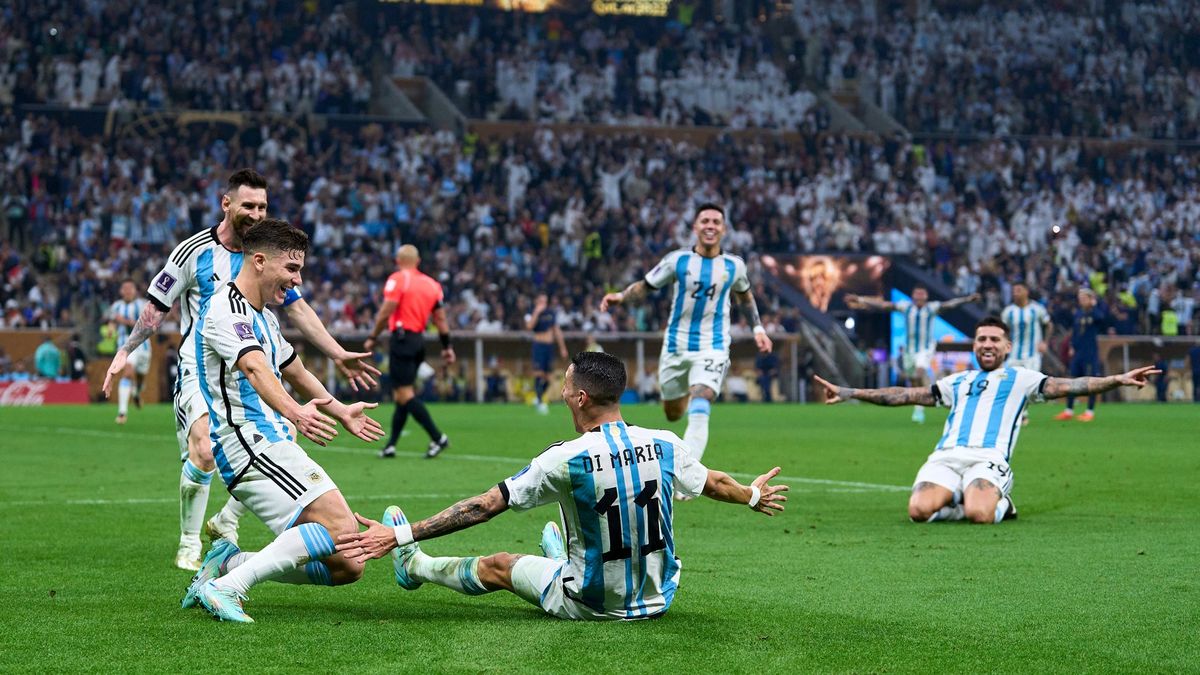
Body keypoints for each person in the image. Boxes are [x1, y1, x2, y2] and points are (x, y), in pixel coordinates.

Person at [334, 352, 789, 621]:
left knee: (500, 565)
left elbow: (484, 507)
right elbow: (713, 483)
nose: (563, 394)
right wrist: (752, 495)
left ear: (582, 398)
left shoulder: (564, 458)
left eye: (567, 388)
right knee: (579, 530)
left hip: (589, 602)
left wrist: (401, 534)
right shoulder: (666, 444)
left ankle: (415, 566)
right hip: (657, 600)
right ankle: (559, 555)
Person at [100, 169, 380, 571]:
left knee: (279, 442)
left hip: (255, 369)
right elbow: (157, 307)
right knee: (205, 448)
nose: (256, 213)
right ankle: (189, 542)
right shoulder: (192, 253)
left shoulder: (270, 262)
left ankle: (227, 525)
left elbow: (297, 311)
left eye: (263, 206)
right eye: (248, 205)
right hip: (202, 369)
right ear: (226, 203)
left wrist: (336, 354)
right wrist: (125, 350)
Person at [180, 218, 384, 623]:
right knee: (340, 528)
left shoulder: (265, 317)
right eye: (291, 269)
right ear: (259, 261)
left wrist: (339, 409)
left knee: (348, 563)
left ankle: (228, 565)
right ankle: (227, 588)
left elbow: (294, 369)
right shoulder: (225, 309)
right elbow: (256, 369)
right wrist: (295, 412)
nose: (298, 280)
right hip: (249, 446)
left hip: (270, 442)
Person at [813, 316, 1160, 524]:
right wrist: (850, 392)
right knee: (918, 511)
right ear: (974, 346)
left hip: (989, 459)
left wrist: (1116, 379)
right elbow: (905, 395)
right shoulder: (957, 381)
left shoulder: (1022, 378)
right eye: (981, 339)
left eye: (995, 339)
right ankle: (962, 497)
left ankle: (1001, 504)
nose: (987, 345)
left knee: (981, 516)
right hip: (946, 458)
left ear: (1007, 347)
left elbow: (1070, 384)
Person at [600, 203, 772, 462]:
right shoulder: (677, 260)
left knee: (701, 398)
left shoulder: (734, 266)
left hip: (713, 345)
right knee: (672, 413)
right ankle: (686, 402)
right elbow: (646, 286)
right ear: (695, 227)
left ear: (724, 229)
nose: (710, 226)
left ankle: (686, 472)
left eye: (716, 222)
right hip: (675, 345)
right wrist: (622, 297)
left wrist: (758, 328)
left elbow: (745, 298)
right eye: (705, 221)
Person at [365, 244, 455, 459]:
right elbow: (441, 320)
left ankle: (437, 437)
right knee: (401, 396)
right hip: (418, 342)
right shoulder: (432, 285)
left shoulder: (398, 279)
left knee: (405, 394)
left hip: (402, 339)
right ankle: (391, 446)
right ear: (418, 261)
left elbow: (387, 310)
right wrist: (447, 347)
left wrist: (373, 337)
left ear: (398, 261)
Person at [846, 286, 979, 424]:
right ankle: (922, 404)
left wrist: (967, 299)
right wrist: (860, 299)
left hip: (925, 349)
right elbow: (884, 305)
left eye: (922, 294)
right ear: (913, 296)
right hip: (910, 351)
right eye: (917, 294)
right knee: (913, 380)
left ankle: (933, 399)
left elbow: (949, 305)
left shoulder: (932, 308)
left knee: (919, 373)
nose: (920, 297)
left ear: (926, 296)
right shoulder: (906, 307)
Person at [1000, 282, 1053, 425]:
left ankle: (1022, 413)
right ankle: (1020, 413)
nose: (1015, 293)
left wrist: (1045, 342)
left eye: (1018, 290)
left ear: (1026, 291)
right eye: (1013, 290)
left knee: (1027, 384)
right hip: (1014, 355)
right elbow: (1003, 331)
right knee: (1009, 383)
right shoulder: (1008, 311)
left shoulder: (1037, 309)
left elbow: (1048, 324)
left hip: (1032, 355)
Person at [1055, 288, 1110, 422]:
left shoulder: (1095, 314)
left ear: (1091, 299)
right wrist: (1072, 346)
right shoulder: (1078, 314)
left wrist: (1094, 305)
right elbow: (1075, 332)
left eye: (1084, 298)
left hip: (1090, 353)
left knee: (1090, 382)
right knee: (1073, 381)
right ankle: (1069, 410)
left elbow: (1103, 320)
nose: (1081, 300)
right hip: (1078, 353)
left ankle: (1089, 412)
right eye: (1080, 298)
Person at [108, 279, 151, 423]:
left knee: (140, 377)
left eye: (130, 288)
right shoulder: (116, 306)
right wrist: (110, 329)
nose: (127, 291)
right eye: (124, 288)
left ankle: (137, 393)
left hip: (143, 346)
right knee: (127, 372)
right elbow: (112, 322)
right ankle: (122, 413)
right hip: (125, 346)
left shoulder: (142, 305)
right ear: (121, 291)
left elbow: (146, 326)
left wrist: (124, 321)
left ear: (134, 291)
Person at [525, 293, 568, 415]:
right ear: (536, 301)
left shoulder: (551, 313)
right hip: (538, 346)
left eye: (545, 301)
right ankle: (540, 401)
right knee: (538, 374)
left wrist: (562, 347)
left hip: (549, 347)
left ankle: (538, 397)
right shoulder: (531, 313)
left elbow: (556, 330)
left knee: (549, 377)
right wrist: (537, 312)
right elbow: (529, 327)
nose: (543, 304)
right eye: (541, 301)